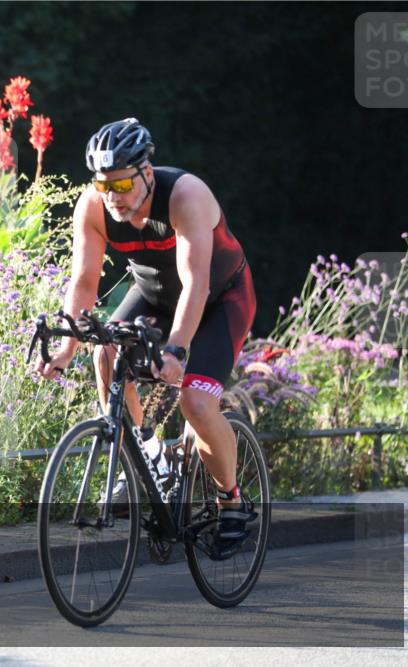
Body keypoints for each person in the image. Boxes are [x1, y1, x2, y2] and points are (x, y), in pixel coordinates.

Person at [37, 118, 258, 560]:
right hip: (155, 294)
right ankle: (149, 453)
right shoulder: (94, 206)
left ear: (146, 174)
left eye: (121, 182)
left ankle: (231, 499)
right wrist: (66, 347)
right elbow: (83, 283)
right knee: (106, 352)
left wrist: (176, 349)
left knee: (196, 403)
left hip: (220, 299)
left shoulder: (186, 195)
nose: (113, 195)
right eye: (103, 184)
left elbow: (196, 284)